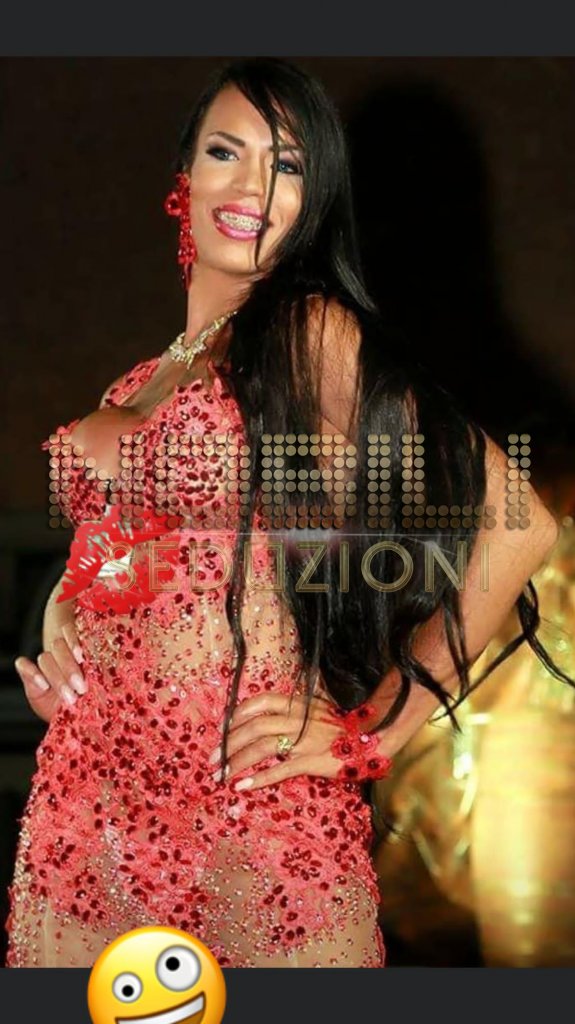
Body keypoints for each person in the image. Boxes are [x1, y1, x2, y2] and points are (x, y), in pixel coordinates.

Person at [7, 57, 572, 969]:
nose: (252, 185)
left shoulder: (307, 331)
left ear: (313, 202)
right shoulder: (142, 379)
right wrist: (62, 625)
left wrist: (376, 730)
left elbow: (521, 523)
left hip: (251, 822)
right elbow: (108, 565)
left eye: (288, 164)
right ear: (182, 178)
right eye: (225, 151)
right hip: (84, 824)